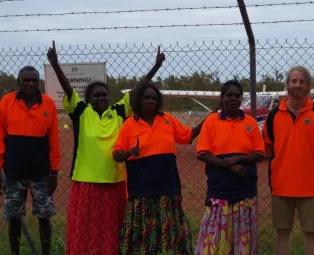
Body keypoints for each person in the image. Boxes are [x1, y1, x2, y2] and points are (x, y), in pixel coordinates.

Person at [46, 40, 165, 255]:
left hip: (114, 180)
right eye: (96, 95)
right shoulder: (81, 112)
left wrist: (156, 67)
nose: (101, 97)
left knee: (111, 228)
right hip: (85, 181)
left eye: (104, 94)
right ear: (88, 98)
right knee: (84, 229)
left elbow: (138, 90)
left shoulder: (119, 111)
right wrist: (55, 65)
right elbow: (68, 89)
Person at [113, 82, 213, 255]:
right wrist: (130, 152)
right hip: (141, 193)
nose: (150, 101)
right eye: (146, 98)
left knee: (169, 236)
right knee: (144, 237)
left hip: (168, 190)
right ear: (139, 100)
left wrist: (211, 116)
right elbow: (116, 155)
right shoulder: (130, 124)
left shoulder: (167, 119)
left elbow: (188, 135)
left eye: (153, 98)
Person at [262, 66, 314, 255]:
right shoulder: (273, 116)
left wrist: (306, 155)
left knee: (311, 234)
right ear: (287, 85)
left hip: (310, 186)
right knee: (282, 233)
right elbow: (268, 149)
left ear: (308, 86)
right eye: (293, 81)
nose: (297, 85)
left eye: (302, 81)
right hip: (281, 185)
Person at [194, 80, 265, 255]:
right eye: (229, 95)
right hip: (219, 193)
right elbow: (202, 153)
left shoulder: (250, 122)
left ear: (242, 99)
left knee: (243, 243)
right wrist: (229, 166)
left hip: (245, 192)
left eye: (237, 95)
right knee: (215, 245)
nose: (233, 98)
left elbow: (259, 153)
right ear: (222, 99)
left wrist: (236, 159)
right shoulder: (211, 121)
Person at [0, 65, 61, 255]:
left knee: (44, 217)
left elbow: (54, 140)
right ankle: (15, 252)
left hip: (41, 173)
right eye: (26, 80)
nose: (31, 83)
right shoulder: (6, 102)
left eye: (34, 80)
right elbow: (0, 136)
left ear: (39, 82)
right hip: (14, 172)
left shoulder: (48, 104)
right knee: (14, 218)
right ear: (19, 82)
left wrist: (54, 171)